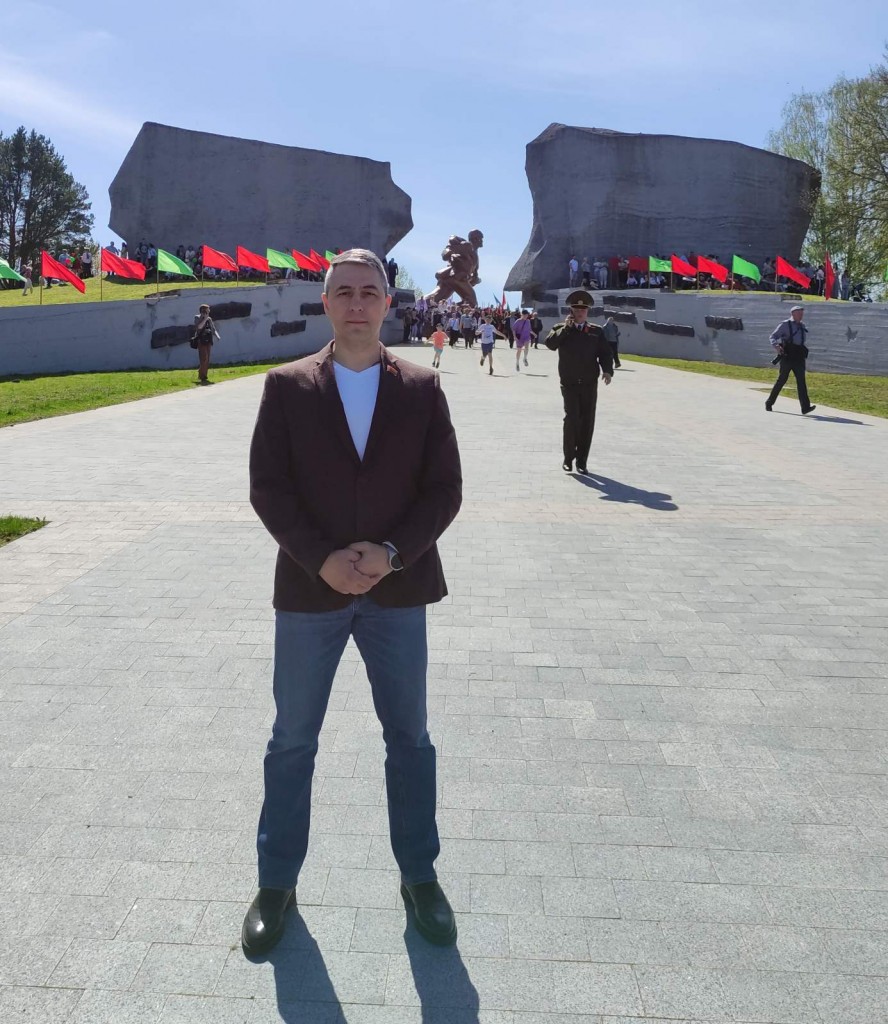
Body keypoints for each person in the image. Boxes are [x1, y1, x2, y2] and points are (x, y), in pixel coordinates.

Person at [244, 248, 462, 955]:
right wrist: (322, 559)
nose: (358, 303)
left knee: (410, 740)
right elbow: (269, 487)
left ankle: (420, 876)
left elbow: (445, 489)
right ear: (326, 302)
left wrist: (393, 554)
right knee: (292, 740)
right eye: (345, 292)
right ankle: (276, 884)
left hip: (399, 593)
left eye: (370, 291)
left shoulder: (422, 388)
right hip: (311, 593)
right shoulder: (286, 386)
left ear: (389, 302)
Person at [545, 289, 614, 474]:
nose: (580, 312)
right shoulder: (560, 328)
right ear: (571, 311)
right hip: (569, 383)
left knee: (587, 422)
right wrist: (566, 329)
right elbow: (550, 344)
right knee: (571, 419)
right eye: (576, 309)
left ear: (587, 311)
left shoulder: (596, 331)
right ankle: (568, 458)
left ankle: (582, 461)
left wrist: (607, 371)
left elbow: (605, 353)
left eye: (583, 309)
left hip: (589, 383)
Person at [766, 305, 815, 414]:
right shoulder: (785, 324)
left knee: (801, 381)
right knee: (782, 380)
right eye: (799, 313)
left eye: (802, 313)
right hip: (788, 356)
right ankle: (769, 402)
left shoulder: (802, 325)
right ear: (793, 314)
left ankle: (805, 407)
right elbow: (773, 336)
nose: (801, 315)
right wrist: (776, 346)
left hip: (799, 357)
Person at [192, 303, 219, 384]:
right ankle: (202, 375)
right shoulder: (197, 317)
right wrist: (204, 319)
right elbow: (199, 327)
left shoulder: (209, 319)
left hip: (208, 340)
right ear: (203, 311)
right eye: (207, 310)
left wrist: (217, 336)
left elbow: (213, 328)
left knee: (207, 359)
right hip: (201, 340)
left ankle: (204, 375)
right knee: (203, 358)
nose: (209, 311)